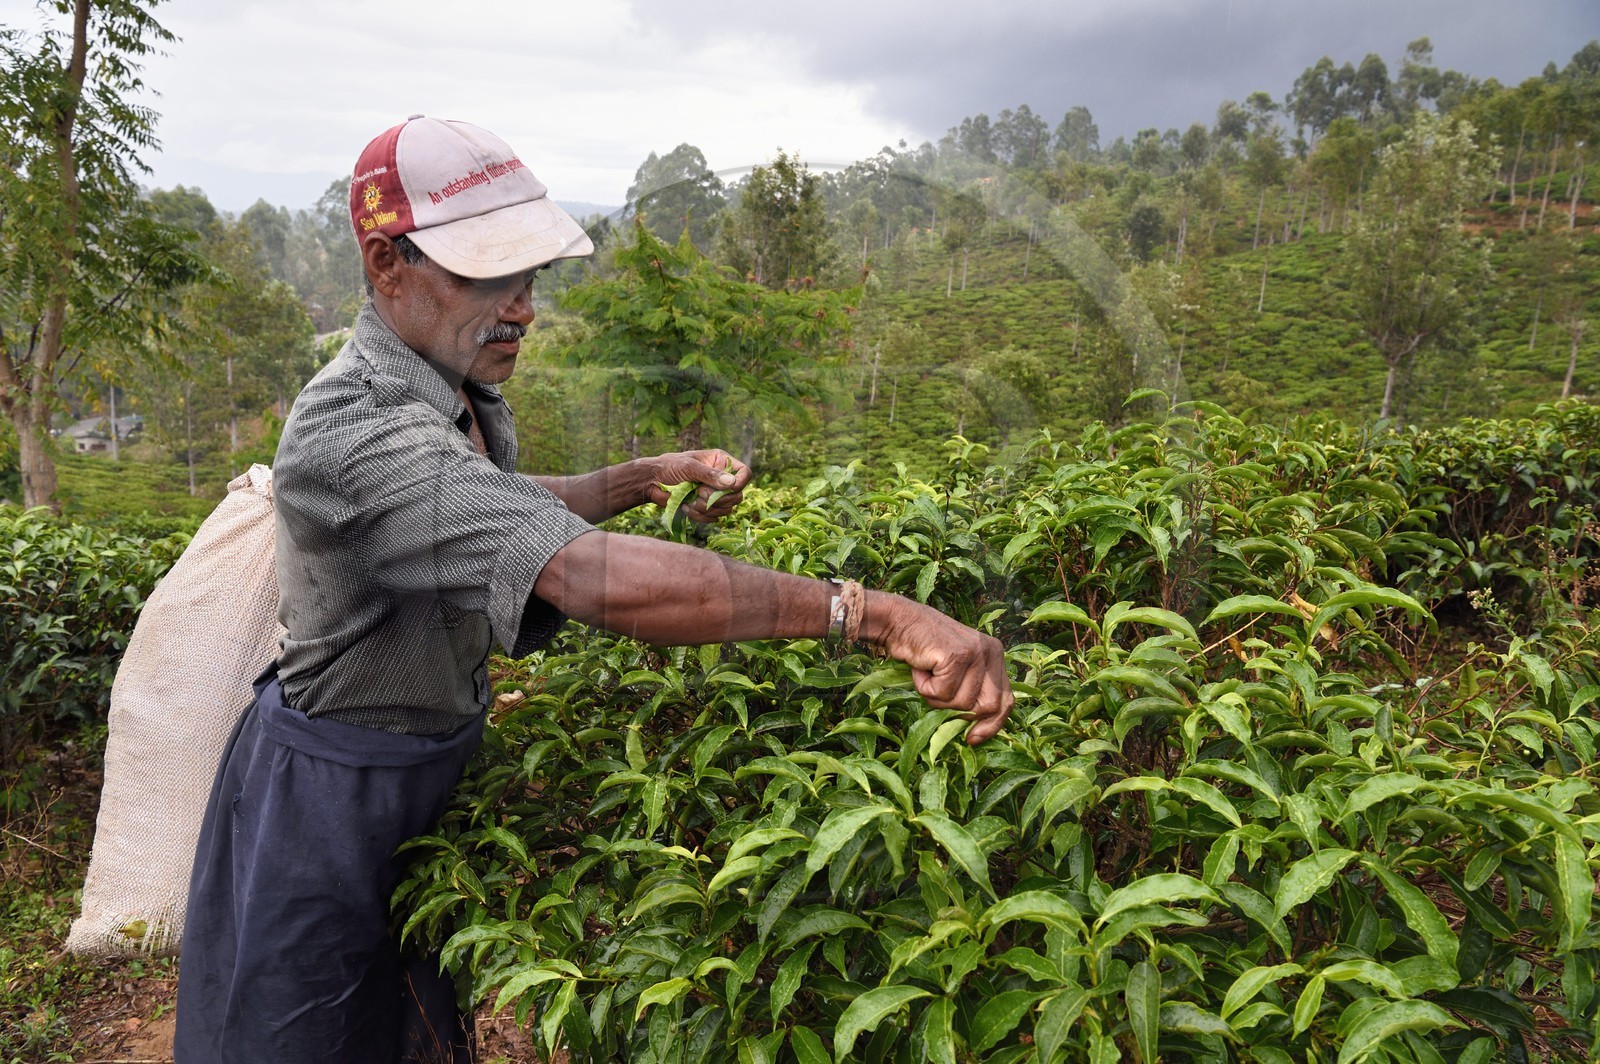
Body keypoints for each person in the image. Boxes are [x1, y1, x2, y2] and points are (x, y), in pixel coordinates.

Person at [173, 115, 1013, 1063]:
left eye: (527, 278)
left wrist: (642, 475)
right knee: (308, 1032)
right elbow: (579, 573)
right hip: (329, 790)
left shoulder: (447, 385)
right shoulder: (355, 430)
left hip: (421, 770)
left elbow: (489, 506)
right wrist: (874, 616)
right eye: (487, 278)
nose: (522, 308)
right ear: (385, 263)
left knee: (410, 1028)